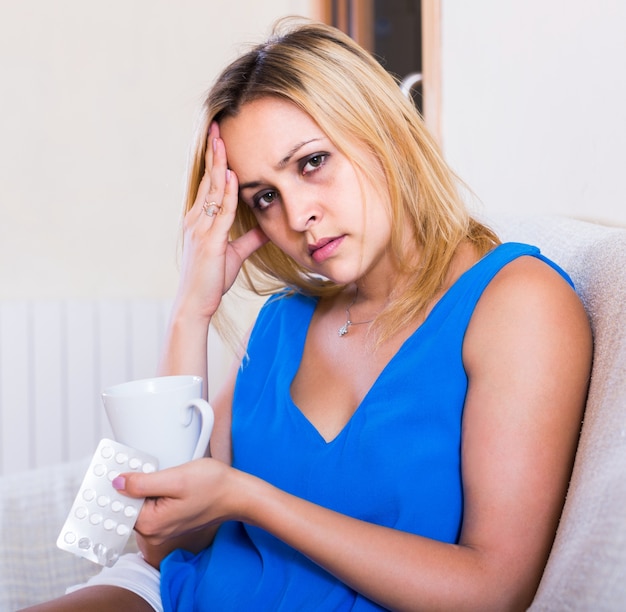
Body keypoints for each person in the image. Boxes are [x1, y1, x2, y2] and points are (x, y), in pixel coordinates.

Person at [25, 17, 592, 612]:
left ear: (385, 131)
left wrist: (248, 498)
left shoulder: (515, 301)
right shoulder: (282, 323)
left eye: (312, 162)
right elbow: (169, 542)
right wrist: (192, 309)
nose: (296, 215)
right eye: (264, 197)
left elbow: (492, 589)